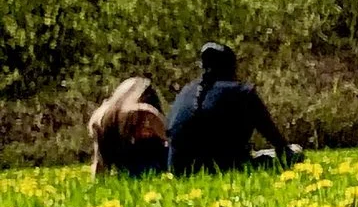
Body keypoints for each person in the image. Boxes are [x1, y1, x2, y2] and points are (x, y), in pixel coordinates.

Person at [166, 42, 285, 177]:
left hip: (179, 172)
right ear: (231, 67)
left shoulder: (185, 91)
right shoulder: (243, 93)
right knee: (295, 153)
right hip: (226, 168)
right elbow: (277, 141)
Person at [88, 76, 169, 178]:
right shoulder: (105, 124)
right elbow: (100, 165)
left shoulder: (153, 124)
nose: (143, 124)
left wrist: (157, 121)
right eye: (137, 120)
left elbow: (174, 147)